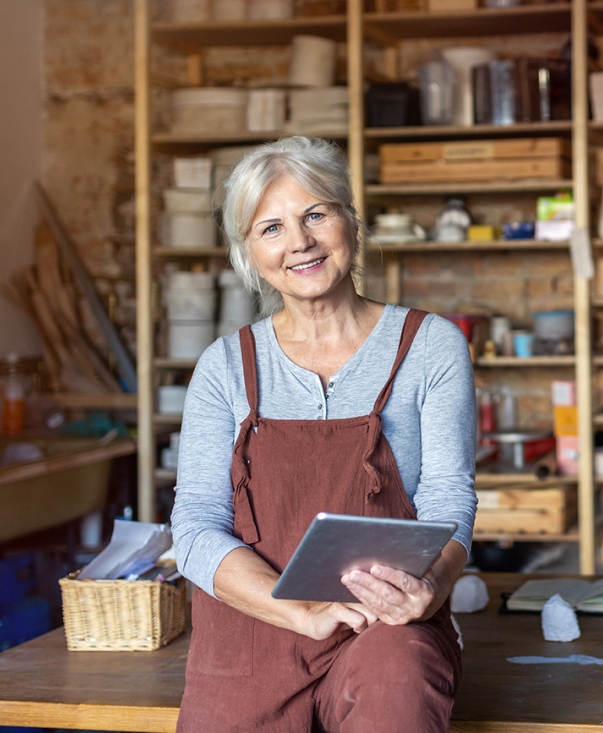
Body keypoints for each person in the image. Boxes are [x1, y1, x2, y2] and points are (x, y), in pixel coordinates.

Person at [170, 136, 477, 732]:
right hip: (253, 629)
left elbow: (448, 496)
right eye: (271, 228)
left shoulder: (430, 346)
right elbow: (194, 526)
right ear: (249, 253)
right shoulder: (225, 365)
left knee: (399, 686)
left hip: (383, 625)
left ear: (350, 223)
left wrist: (431, 588)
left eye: (316, 214)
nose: (300, 242)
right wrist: (298, 610)